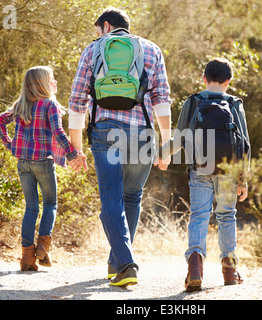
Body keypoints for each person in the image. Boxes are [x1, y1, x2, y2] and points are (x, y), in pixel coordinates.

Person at [68, 7, 172, 287]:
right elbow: (162, 98)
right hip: (142, 133)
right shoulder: (150, 50)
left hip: (105, 132)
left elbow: (77, 101)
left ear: (105, 26)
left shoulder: (93, 50)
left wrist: (75, 147)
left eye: (97, 29)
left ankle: (126, 264)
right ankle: (117, 263)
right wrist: (167, 142)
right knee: (132, 196)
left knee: (111, 200)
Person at [157, 57, 250, 292]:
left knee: (199, 215)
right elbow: (245, 145)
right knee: (227, 215)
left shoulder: (193, 101)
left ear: (204, 78)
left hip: (200, 167)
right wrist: (243, 179)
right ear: (229, 81)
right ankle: (229, 270)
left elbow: (180, 136)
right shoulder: (235, 103)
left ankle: (195, 267)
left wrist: (162, 154)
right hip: (229, 170)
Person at [0, 66, 85, 271]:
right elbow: (59, 133)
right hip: (43, 162)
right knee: (51, 203)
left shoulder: (21, 104)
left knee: (31, 207)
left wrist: (10, 144)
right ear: (45, 83)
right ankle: (43, 246)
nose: (54, 82)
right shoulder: (49, 105)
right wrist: (73, 155)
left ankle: (27, 257)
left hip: (23, 163)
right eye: (52, 79)